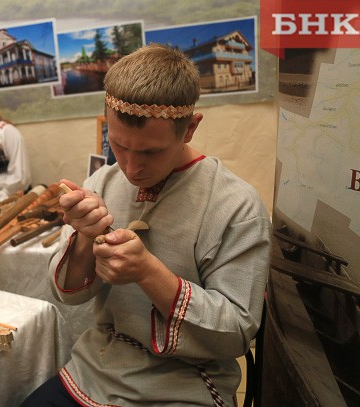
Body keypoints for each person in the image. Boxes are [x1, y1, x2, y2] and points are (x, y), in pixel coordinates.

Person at [22, 44, 271, 406]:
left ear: (190, 128)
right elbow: (67, 295)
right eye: (118, 145)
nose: (130, 167)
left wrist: (147, 271)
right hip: (99, 365)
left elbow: (235, 332)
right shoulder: (101, 184)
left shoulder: (235, 205)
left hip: (185, 379)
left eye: (150, 152)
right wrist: (82, 239)